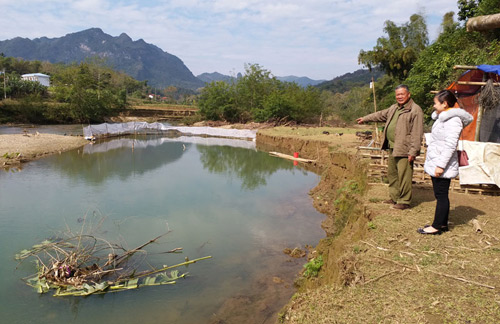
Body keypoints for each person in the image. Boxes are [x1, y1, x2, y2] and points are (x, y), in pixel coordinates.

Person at [356, 85, 424, 210]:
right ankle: (395, 197)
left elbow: (417, 132)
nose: (399, 97)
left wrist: (413, 151)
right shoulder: (394, 108)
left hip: (405, 148)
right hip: (393, 146)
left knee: (404, 175)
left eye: (402, 94)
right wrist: (365, 119)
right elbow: (380, 115)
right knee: (392, 174)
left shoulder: (415, 110)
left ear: (408, 94)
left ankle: (404, 201)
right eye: (397, 94)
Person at [417, 90, 473, 235]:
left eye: (436, 103)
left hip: (442, 163)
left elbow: (450, 145)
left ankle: (436, 227)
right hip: (436, 159)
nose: (434, 105)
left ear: (445, 103)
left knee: (441, 195)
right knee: (440, 194)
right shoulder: (442, 118)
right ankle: (442, 224)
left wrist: (440, 166)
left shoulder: (453, 121)